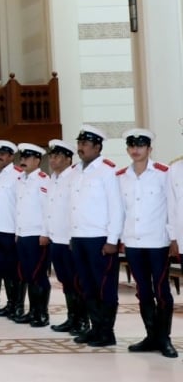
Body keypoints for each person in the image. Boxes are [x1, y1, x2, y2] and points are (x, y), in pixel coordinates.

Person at [117, 128, 176, 358]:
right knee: (143, 291)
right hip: (133, 241)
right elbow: (121, 210)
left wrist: (174, 238)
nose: (135, 150)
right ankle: (151, 336)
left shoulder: (164, 173)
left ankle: (165, 338)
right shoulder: (121, 176)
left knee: (162, 291)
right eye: (131, 146)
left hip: (157, 241)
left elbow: (172, 207)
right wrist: (120, 238)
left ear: (149, 149)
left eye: (140, 146)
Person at [69, 125, 123, 347]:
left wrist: (112, 240)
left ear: (97, 147)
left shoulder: (108, 171)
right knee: (87, 285)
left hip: (100, 238)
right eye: (79, 143)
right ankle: (94, 327)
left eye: (85, 144)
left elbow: (116, 207)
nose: (80, 148)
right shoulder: (76, 171)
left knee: (104, 286)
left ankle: (107, 332)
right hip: (80, 236)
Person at [44, 140, 85, 335]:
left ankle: (82, 320)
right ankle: (72, 317)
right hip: (56, 238)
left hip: (70, 239)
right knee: (66, 281)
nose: (53, 160)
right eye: (51, 156)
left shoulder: (75, 177)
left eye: (57, 156)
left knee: (77, 280)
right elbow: (49, 210)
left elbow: (76, 209)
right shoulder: (53, 178)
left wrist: (72, 236)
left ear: (68, 159)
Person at [13, 143, 52, 327]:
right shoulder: (20, 179)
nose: (23, 161)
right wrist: (17, 232)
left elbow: (47, 209)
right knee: (27, 274)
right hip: (23, 234)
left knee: (39, 275)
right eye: (22, 158)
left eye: (27, 158)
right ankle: (32, 311)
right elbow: (18, 209)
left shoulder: (43, 180)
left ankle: (42, 313)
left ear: (37, 160)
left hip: (37, 235)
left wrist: (45, 233)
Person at [0, 140, 22, 319]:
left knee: (12, 270)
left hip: (10, 230)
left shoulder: (17, 175)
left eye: (3, 154)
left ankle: (15, 304)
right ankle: (3, 302)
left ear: (11, 156)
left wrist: (18, 230)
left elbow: (20, 205)